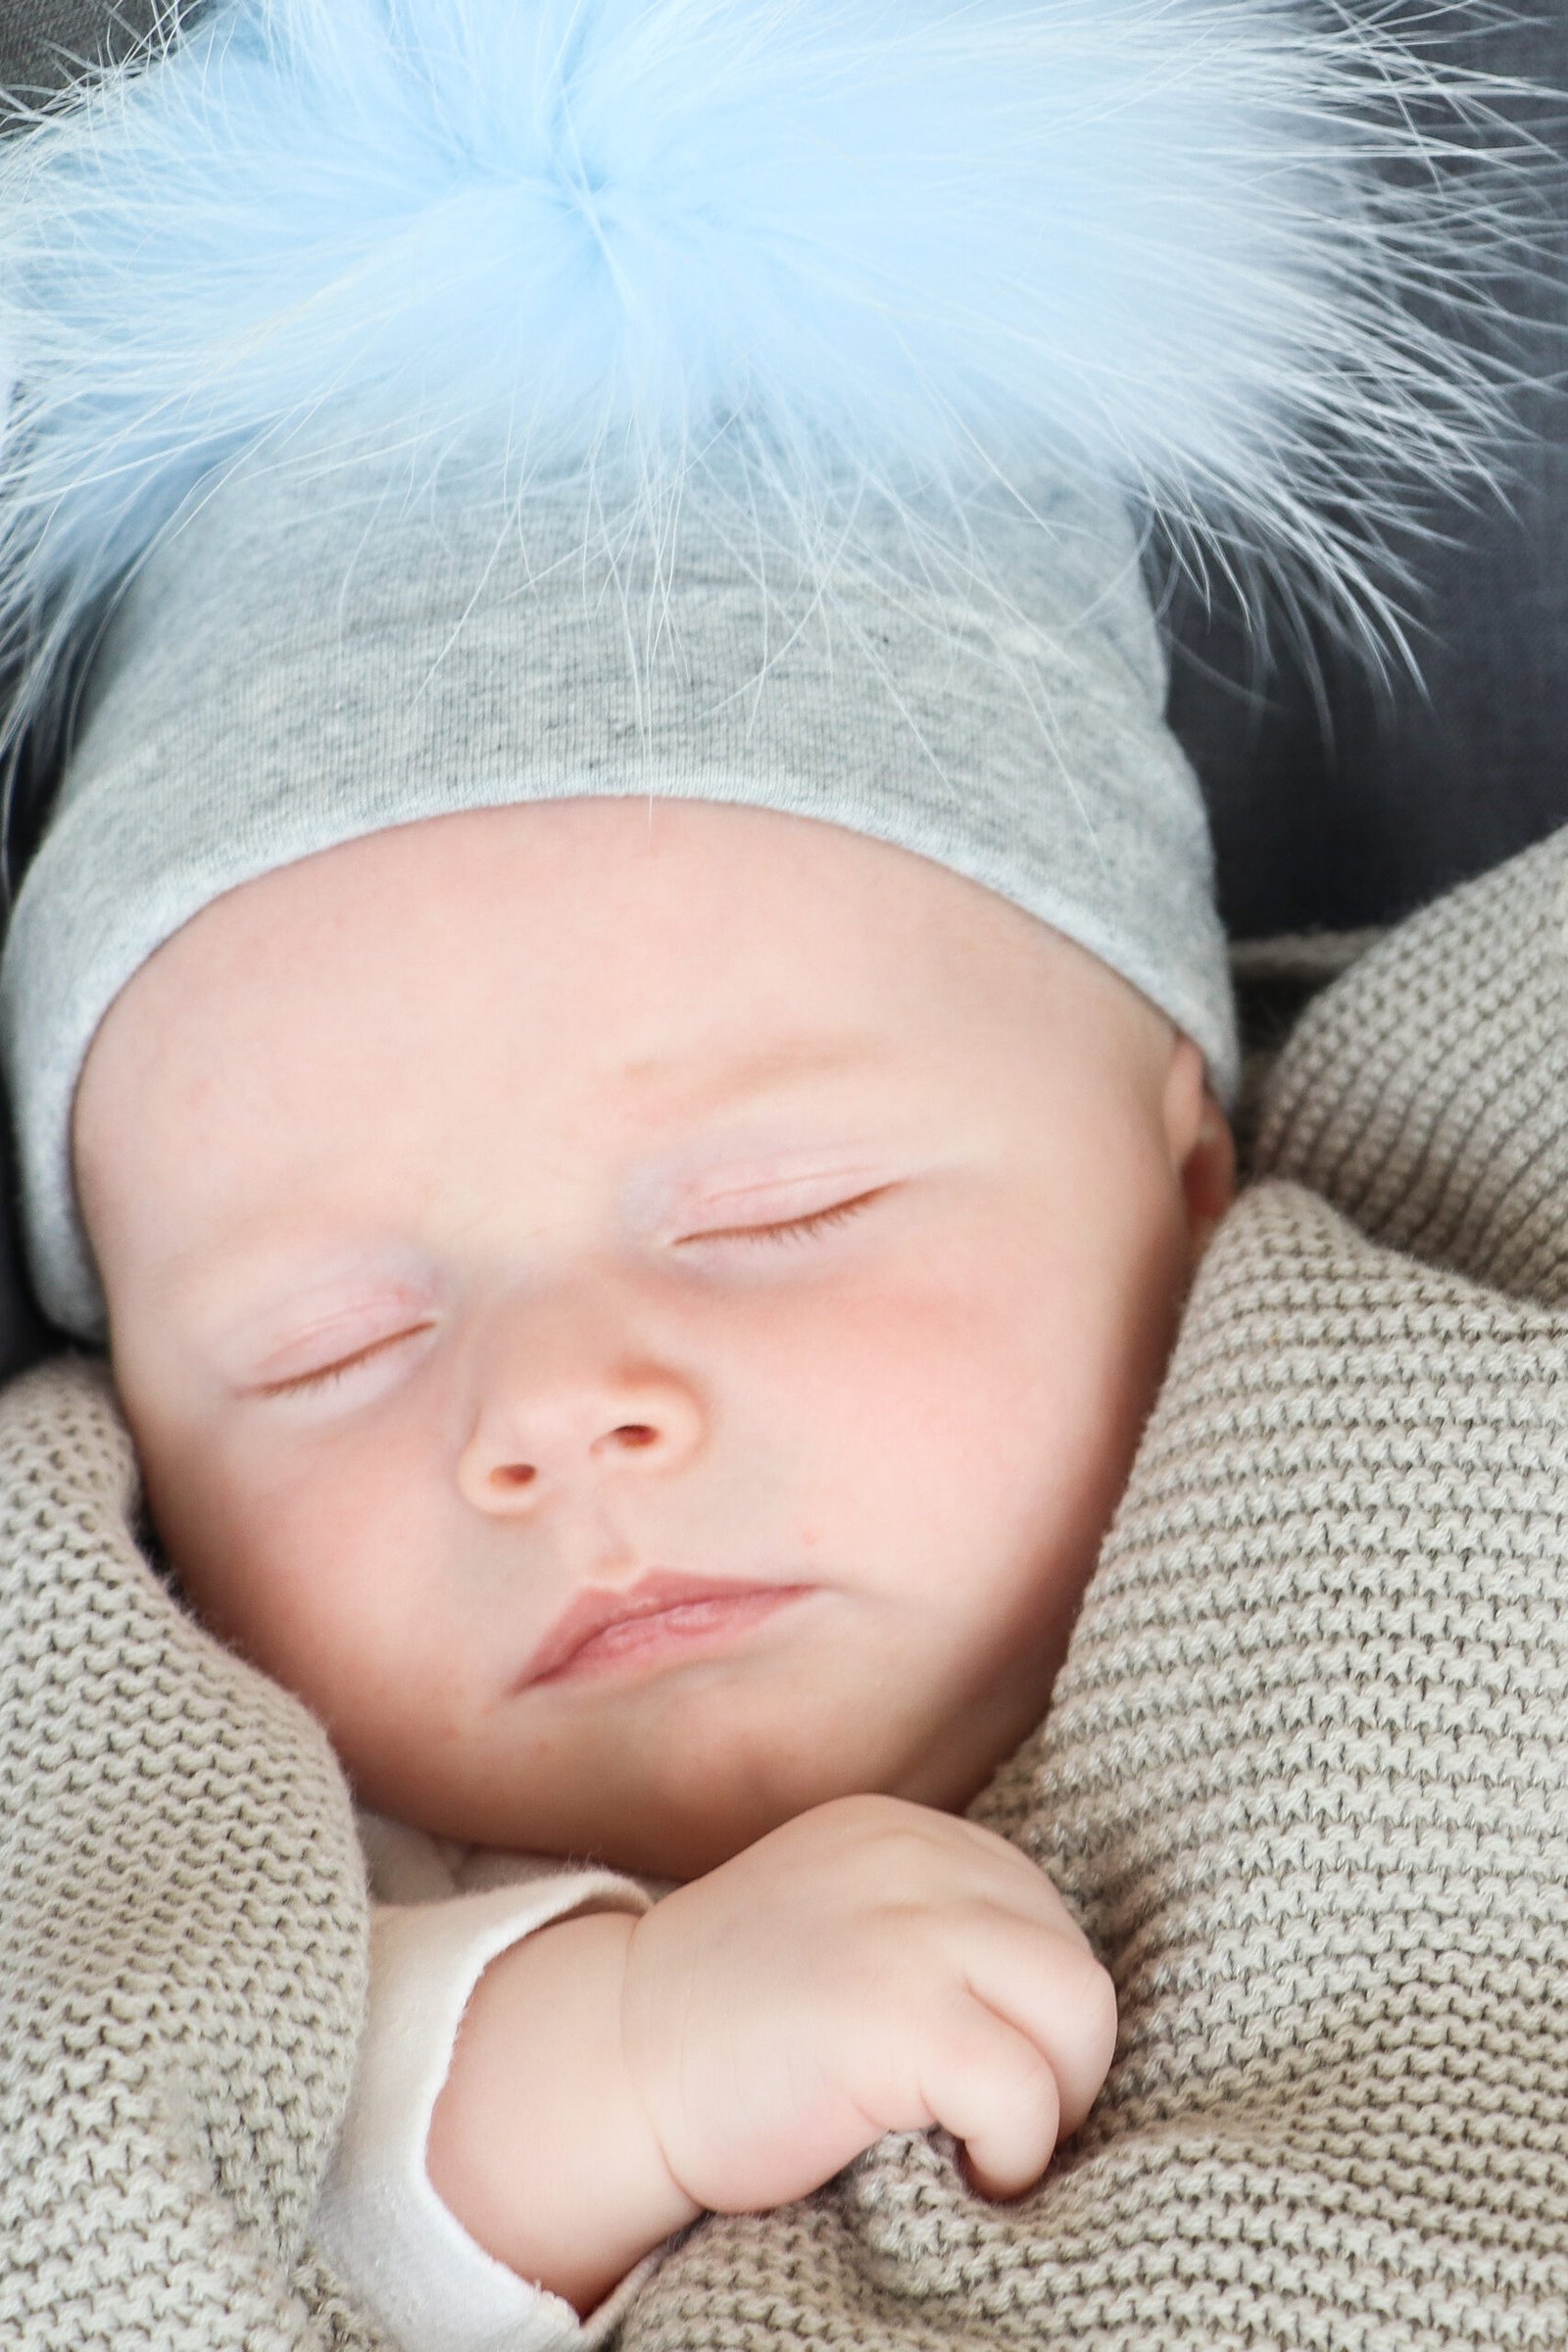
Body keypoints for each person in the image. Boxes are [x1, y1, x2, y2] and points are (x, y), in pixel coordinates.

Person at [0, 2, 1539, 2345]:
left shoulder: (1440, 1448)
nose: (557, 1409)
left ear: (1192, 1168)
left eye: (773, 1211)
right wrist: (564, 2081)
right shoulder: (200, 1888)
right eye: (325, 1344)